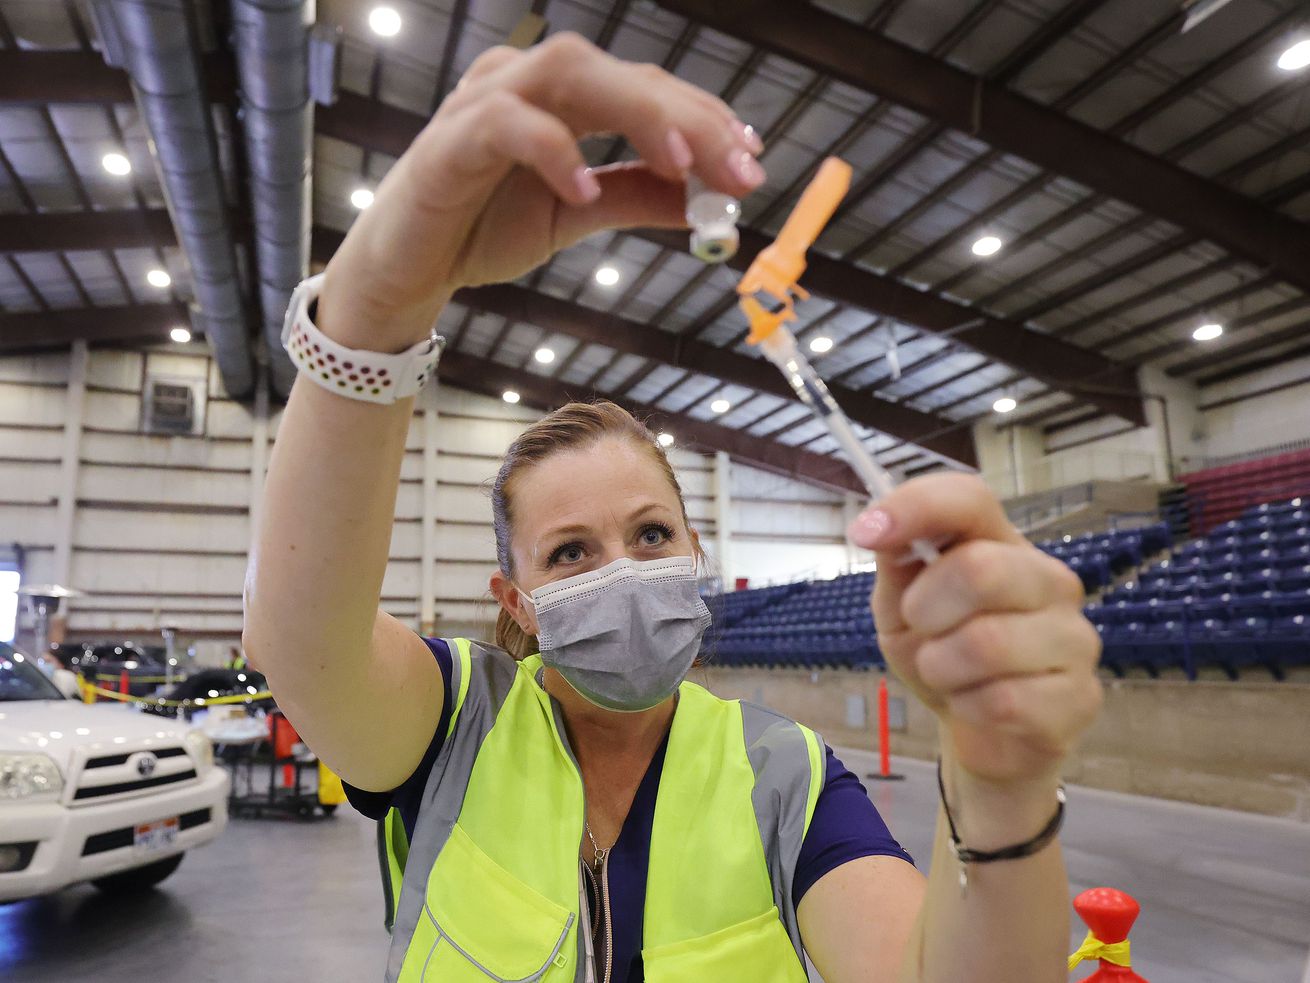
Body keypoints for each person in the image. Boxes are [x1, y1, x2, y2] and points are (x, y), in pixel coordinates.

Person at [242, 33, 1102, 983]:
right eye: (570, 552)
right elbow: (300, 640)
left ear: (695, 551)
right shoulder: (452, 726)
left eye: (651, 533)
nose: (623, 570)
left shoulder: (784, 775)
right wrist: (379, 304)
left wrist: (1000, 786)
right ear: (517, 599)